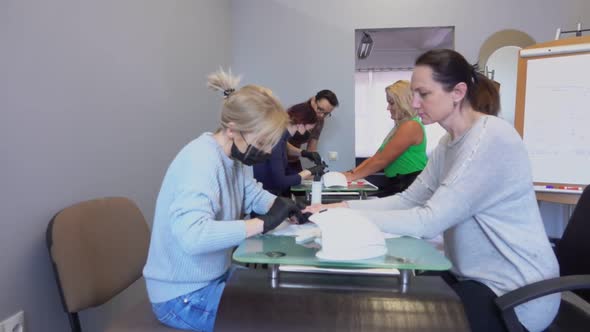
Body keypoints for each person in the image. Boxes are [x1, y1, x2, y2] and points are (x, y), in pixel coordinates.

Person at [304, 49, 560, 332]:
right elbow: (408, 200)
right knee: (389, 298)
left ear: (458, 92)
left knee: (407, 320)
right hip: (469, 277)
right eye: (413, 93)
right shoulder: (447, 145)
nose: (414, 103)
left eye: (423, 94)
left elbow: (428, 220)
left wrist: (346, 216)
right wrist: (342, 208)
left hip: (514, 293)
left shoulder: (492, 138)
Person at [143, 69, 304, 332]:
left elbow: (252, 194)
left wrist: (288, 208)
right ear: (233, 130)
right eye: (262, 142)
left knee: (284, 292)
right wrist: (261, 224)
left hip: (214, 277)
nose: (265, 151)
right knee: (277, 319)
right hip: (181, 295)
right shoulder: (200, 160)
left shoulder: (234, 158)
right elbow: (193, 236)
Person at [344, 80, 427, 197]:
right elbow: (377, 157)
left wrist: (351, 177)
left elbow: (381, 161)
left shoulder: (411, 126)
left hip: (409, 184)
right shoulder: (400, 127)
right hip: (398, 183)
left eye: (392, 103)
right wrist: (349, 174)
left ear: (404, 102)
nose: (388, 108)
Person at [253, 105, 325, 197]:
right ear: (301, 123)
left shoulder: (281, 136)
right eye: (309, 129)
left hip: (270, 192)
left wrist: (311, 172)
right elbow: (281, 181)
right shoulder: (277, 139)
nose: (309, 132)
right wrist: (310, 171)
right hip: (266, 195)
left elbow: (285, 173)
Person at [285, 89, 339, 174]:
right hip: (278, 160)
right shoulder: (297, 113)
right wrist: (303, 153)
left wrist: (317, 160)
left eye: (326, 114)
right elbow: (280, 144)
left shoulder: (320, 120)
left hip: (293, 162)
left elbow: (311, 149)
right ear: (314, 101)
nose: (321, 115)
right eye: (320, 109)